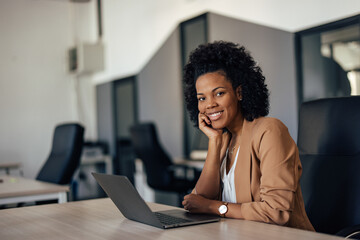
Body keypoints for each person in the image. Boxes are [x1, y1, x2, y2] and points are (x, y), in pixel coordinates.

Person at [181, 41, 314, 231]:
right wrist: (214, 141)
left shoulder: (269, 131)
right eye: (202, 98)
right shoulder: (224, 138)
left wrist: (212, 207)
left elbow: (276, 212)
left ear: (239, 92)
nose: (209, 104)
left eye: (219, 93)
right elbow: (198, 201)